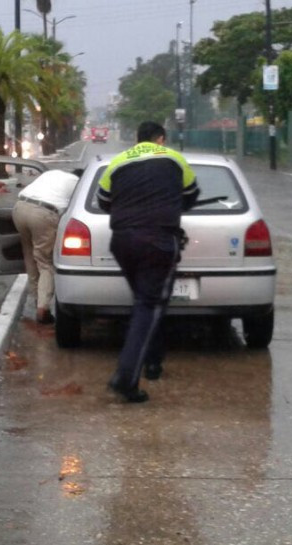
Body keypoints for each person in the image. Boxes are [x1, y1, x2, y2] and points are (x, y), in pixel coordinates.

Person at [97, 121, 199, 403]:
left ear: (136, 139)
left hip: (122, 242)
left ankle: (153, 361)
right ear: (161, 139)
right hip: (158, 241)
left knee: (146, 303)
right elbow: (190, 196)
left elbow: (104, 200)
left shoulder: (118, 162)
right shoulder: (174, 158)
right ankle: (126, 377)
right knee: (148, 305)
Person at [13, 168, 80, 324]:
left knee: (29, 256)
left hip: (19, 208)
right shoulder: (77, 183)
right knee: (45, 262)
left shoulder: (53, 173)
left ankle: (36, 297)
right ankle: (43, 308)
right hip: (42, 214)